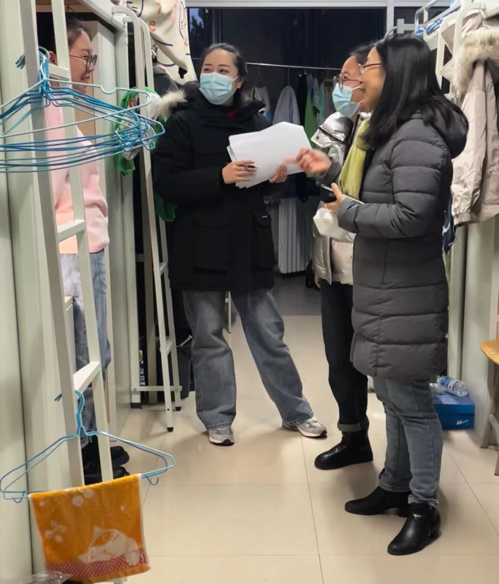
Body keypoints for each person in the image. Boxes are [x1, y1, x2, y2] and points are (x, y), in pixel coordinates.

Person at [326, 35, 468, 555]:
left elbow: (413, 216)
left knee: (412, 403)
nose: (360, 77)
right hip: (385, 289)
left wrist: (349, 211)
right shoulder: (393, 130)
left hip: (407, 292)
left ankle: (423, 507)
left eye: (370, 67)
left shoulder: (417, 136)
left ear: (398, 74)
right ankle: (394, 485)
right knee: (389, 395)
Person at [153, 43, 326, 446]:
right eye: (207, 68)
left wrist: (275, 178)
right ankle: (217, 418)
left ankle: (296, 411)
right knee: (209, 337)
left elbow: (264, 183)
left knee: (269, 334)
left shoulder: (258, 122)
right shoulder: (181, 123)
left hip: (249, 241)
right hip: (199, 245)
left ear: (239, 80)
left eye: (223, 70)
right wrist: (220, 176)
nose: (213, 76)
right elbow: (166, 183)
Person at [37, 15, 129, 483]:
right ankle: (86, 450)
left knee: (92, 351)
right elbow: (51, 187)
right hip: (72, 247)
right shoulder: (48, 111)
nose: (91, 67)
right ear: (54, 58)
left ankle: (91, 441)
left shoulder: (62, 106)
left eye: (93, 58)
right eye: (85, 57)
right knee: (86, 354)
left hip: (84, 244)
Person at [294, 45, 374, 471]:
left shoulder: (386, 129)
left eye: (347, 78)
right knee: (339, 357)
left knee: (378, 361)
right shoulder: (334, 123)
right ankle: (353, 436)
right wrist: (316, 165)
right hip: (332, 259)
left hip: (371, 263)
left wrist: (330, 169)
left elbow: (360, 189)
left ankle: (404, 468)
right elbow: (328, 187)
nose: (340, 87)